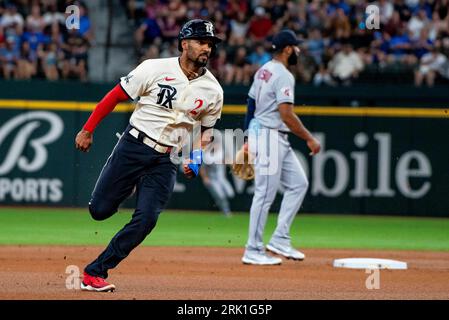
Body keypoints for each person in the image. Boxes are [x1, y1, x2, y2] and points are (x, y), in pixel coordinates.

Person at [74, 19, 223, 291]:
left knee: (147, 219)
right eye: (202, 42)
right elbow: (115, 96)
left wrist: (197, 156)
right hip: (134, 146)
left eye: (210, 44)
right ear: (184, 43)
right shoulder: (154, 68)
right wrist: (87, 129)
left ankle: (96, 272)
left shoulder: (213, 90)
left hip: (166, 159)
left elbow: (206, 131)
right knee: (100, 211)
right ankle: (128, 185)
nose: (207, 48)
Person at [240, 29, 321, 266]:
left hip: (272, 137)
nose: (298, 50)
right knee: (264, 194)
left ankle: (280, 238)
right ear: (287, 49)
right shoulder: (284, 75)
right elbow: (286, 114)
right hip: (269, 137)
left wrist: (247, 138)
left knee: (298, 184)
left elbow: (251, 105)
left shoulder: (263, 70)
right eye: (296, 47)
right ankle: (252, 249)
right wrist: (309, 138)